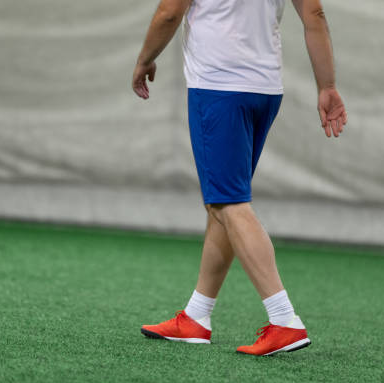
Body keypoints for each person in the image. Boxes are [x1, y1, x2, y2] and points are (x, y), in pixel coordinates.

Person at [132, 0, 347, 356]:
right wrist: (327, 86)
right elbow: (315, 15)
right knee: (224, 201)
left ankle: (285, 321)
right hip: (265, 90)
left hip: (219, 87)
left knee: (229, 204)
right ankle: (196, 317)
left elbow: (170, 11)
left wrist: (144, 58)